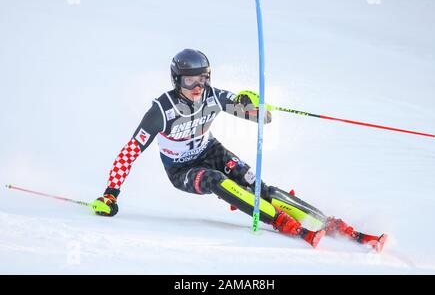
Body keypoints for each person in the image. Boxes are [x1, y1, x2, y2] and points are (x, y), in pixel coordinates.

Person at [92, 49, 386, 250]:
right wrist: (111, 193)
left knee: (259, 187)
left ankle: (331, 224)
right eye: (190, 80)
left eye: (203, 78)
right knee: (216, 181)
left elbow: (262, 117)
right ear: (176, 80)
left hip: (211, 150)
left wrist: (253, 105)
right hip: (182, 170)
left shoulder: (214, 96)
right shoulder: (161, 110)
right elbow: (130, 151)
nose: (197, 87)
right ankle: (281, 222)